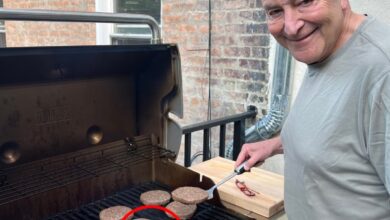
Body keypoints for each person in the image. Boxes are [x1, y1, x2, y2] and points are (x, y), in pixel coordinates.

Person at [234, 0, 390, 219]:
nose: (291, 26)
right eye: (275, 11)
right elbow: (342, 135)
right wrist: (277, 144)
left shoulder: (383, 70)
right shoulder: (326, 48)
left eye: (305, 2)